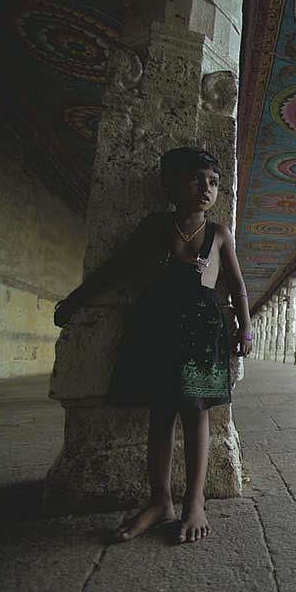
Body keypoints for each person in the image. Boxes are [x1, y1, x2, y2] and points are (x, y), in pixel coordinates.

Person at [54, 147, 252, 544]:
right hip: (157, 327)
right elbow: (117, 267)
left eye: (213, 182)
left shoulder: (218, 234)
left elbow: (237, 285)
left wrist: (245, 329)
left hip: (201, 332)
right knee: (160, 414)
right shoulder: (156, 227)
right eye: (195, 179)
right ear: (171, 185)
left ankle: (194, 501)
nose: (205, 189)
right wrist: (75, 301)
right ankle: (160, 500)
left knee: (196, 414)